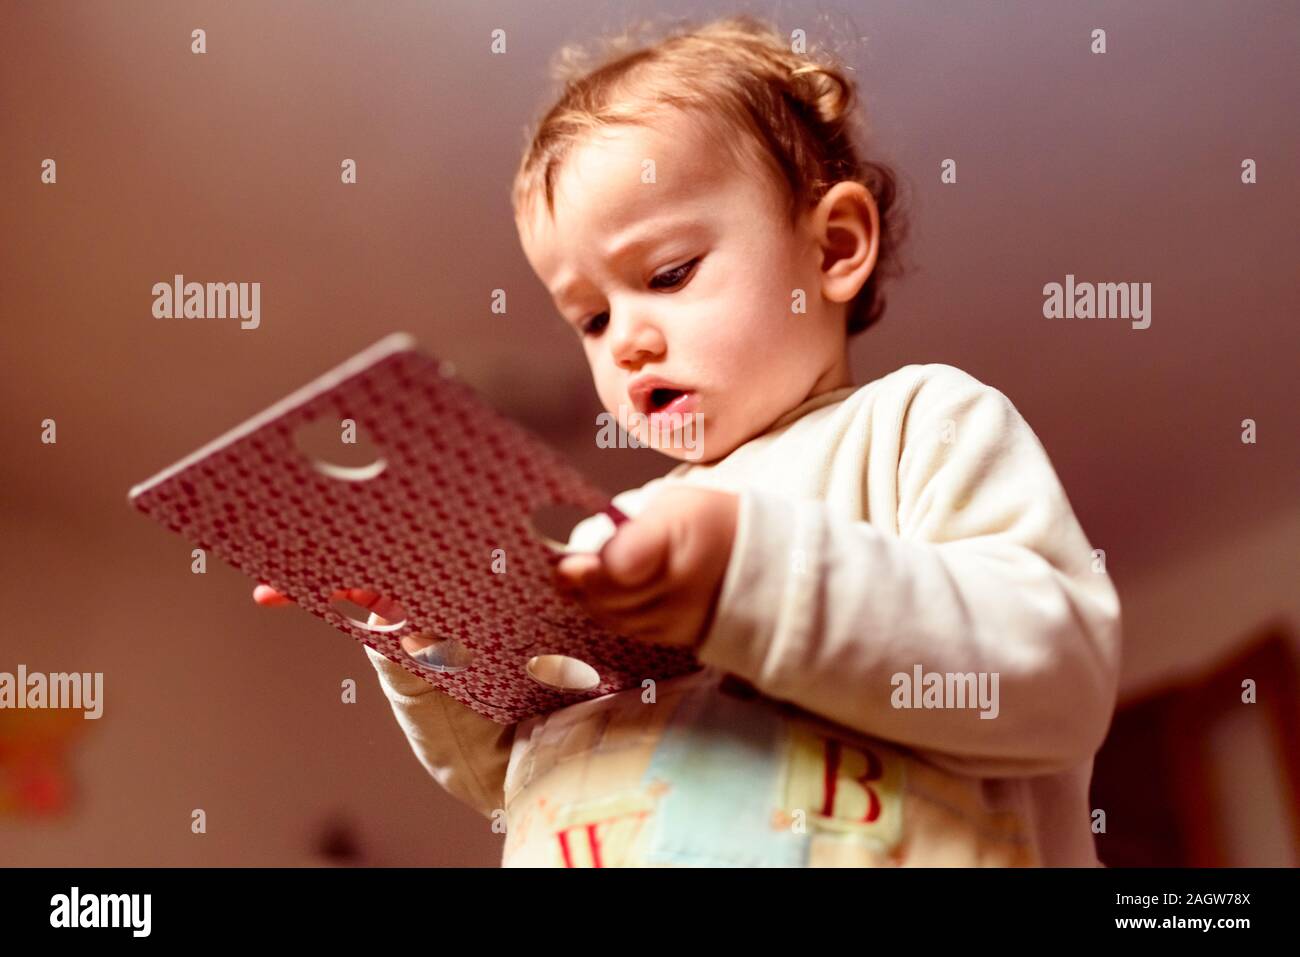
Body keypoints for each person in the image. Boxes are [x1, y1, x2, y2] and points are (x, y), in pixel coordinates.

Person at [259, 14, 1121, 867]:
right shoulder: (624, 526)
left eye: (668, 274)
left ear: (835, 246)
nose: (625, 339)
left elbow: (1059, 680)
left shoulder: (915, 426)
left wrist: (747, 576)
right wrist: (425, 635)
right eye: (591, 317)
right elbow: (511, 769)